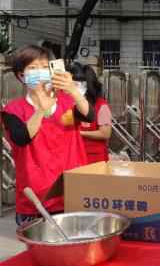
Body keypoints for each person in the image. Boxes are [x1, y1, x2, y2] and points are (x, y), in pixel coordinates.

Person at [2, 45, 94, 225]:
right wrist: (42, 108)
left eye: (45, 67)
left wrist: (73, 90)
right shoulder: (12, 110)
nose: (40, 72)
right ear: (21, 75)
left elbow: (90, 116)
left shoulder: (67, 102)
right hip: (35, 200)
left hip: (70, 194)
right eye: (32, 68)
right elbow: (22, 138)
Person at [69, 62, 112, 163]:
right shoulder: (68, 103)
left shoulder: (102, 106)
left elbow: (105, 133)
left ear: (86, 85)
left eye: (75, 84)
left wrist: (79, 133)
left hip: (94, 158)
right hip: (74, 155)